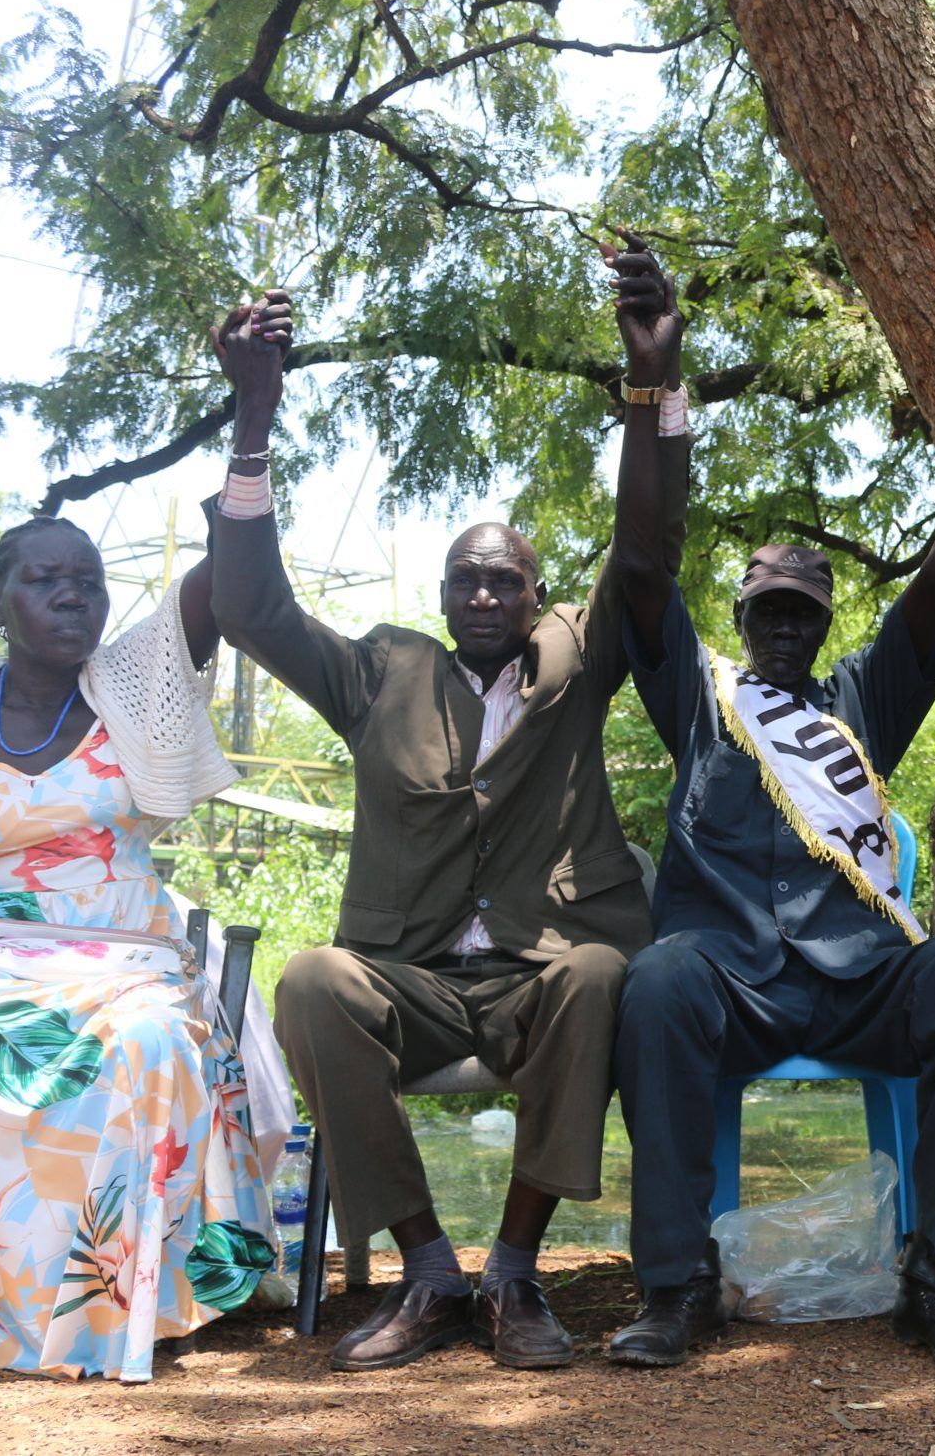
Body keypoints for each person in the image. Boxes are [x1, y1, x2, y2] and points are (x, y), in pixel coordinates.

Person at [207, 244, 688, 1372]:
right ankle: (428, 1270)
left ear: (534, 594)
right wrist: (252, 417)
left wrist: (653, 385)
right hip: (411, 977)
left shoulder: (578, 657)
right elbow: (250, 606)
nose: (483, 593)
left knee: (600, 971)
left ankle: (514, 1272)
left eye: (504, 579)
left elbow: (647, 548)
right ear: (440, 594)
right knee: (311, 979)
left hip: (537, 978)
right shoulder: (380, 672)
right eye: (465, 578)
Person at [606, 355, 935, 1375]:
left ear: (825, 627)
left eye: (803, 614)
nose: (785, 627)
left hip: (857, 984)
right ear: (741, 621)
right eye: (768, 612)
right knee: (654, 977)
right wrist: (651, 382)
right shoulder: (701, 700)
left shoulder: (861, 703)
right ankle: (677, 1285)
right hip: (729, 985)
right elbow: (642, 566)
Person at [0, 493, 278, 1381]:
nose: (71, 594)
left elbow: (226, 581)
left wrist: (248, 444)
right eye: (44, 578)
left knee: (148, 1042)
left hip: (129, 963)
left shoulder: (131, 682)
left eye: (89, 580)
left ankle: (118, 1307)